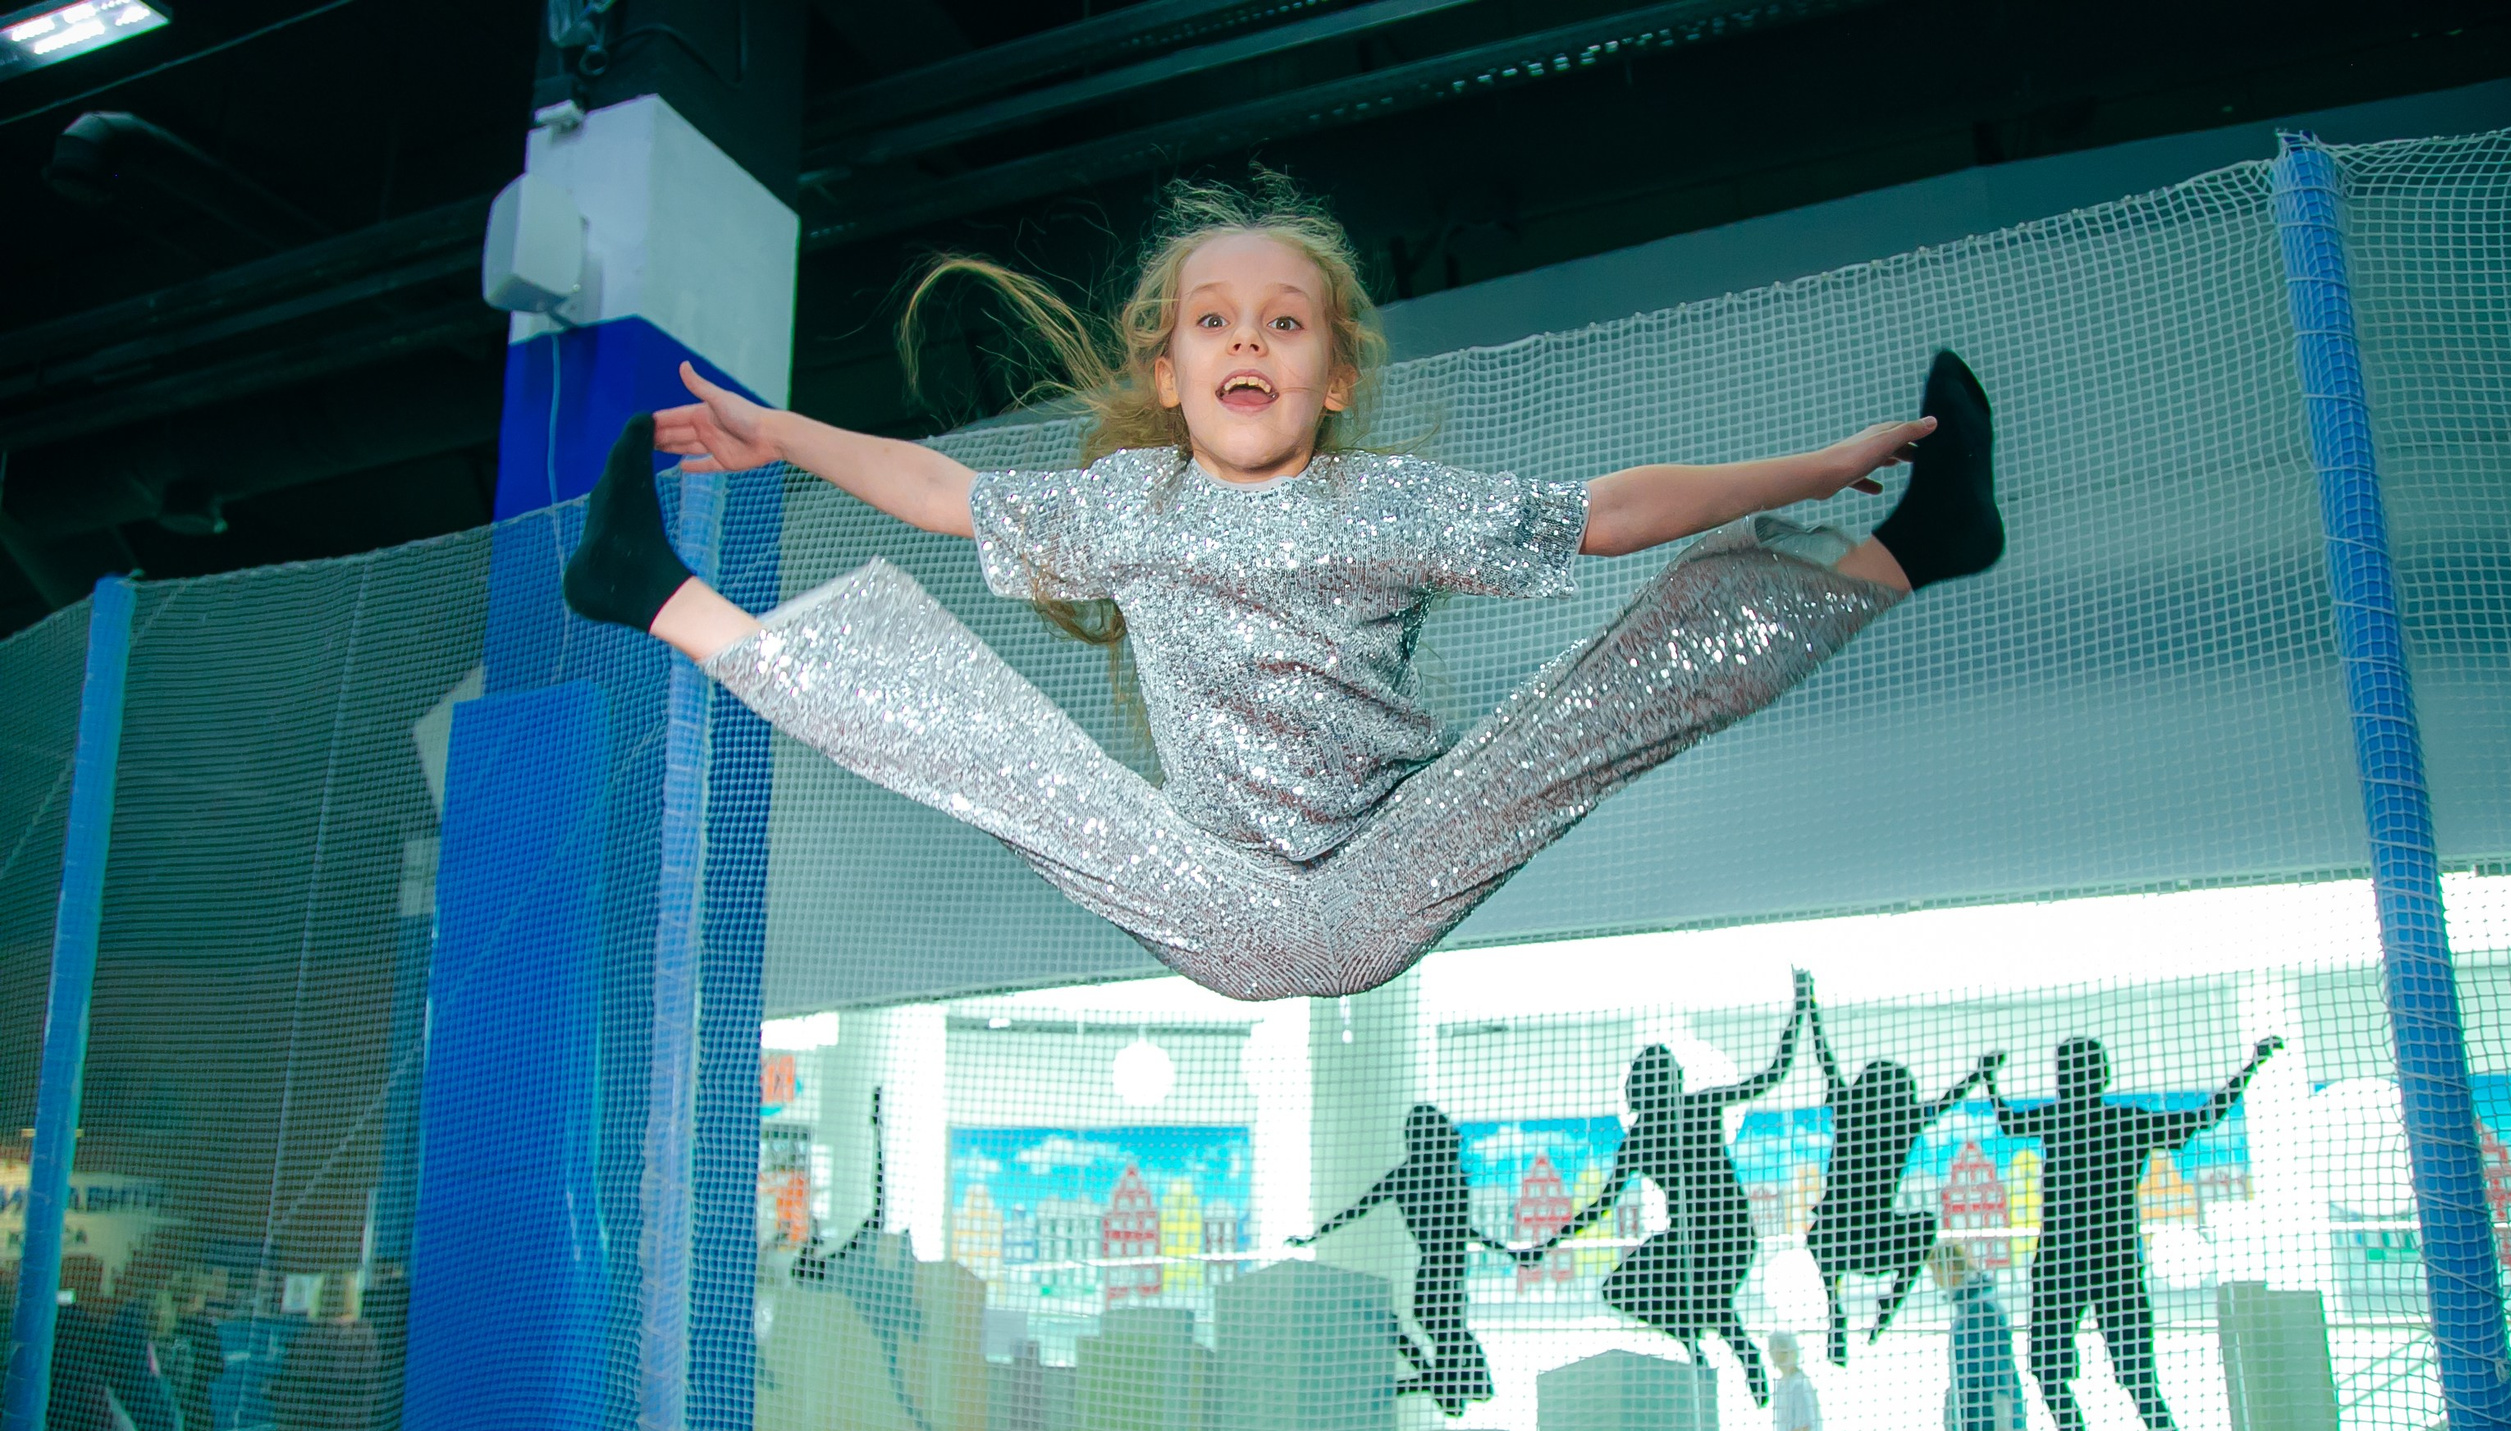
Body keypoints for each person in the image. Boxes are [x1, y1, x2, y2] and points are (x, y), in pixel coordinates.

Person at [560, 173, 2005, 1003]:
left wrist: (1807, 466)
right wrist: (786, 431)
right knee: (999, 756)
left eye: (1285, 320)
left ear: (1333, 370)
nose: (1248, 340)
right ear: (1167, 369)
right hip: (1216, 897)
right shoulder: (1128, 508)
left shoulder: (1389, 503)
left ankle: (1911, 548)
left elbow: (1607, 516)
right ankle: (660, 593)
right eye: (1214, 320)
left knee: (1590, 709)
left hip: (1390, 867)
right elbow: (948, 492)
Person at [1990, 1034, 2281, 1431]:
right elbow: (2204, 1118)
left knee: (2076, 1376)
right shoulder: (2122, 1120)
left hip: (2067, 1267)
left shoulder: (2062, 1119)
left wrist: (1989, 1081)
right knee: (2132, 1382)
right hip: (2108, 1267)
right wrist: (2249, 1067)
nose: (2068, 1082)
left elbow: (2007, 1121)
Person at [1522, 973, 1816, 1405]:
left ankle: (1728, 1344)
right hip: (1694, 1242)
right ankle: (1714, 1343)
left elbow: (1772, 1075)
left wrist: (1801, 1008)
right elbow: (1602, 1207)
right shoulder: (1650, 1133)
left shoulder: (1689, 1113)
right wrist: (1548, 1244)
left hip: (1724, 1240)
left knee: (1692, 1292)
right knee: (1624, 1288)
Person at [1802, 982, 2001, 1364]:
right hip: (1875, 1241)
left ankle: (1835, 1306)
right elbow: (1948, 1100)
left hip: (1839, 1242)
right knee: (1924, 1225)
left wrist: (1808, 1005)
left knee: (1821, 1231)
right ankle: (1887, 1301)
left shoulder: (1850, 1110)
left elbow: (1825, 1061)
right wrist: (1980, 1074)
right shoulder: (1903, 1121)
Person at [1289, 1104, 1502, 1415]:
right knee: (1449, 1344)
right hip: (1448, 1272)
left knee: (1446, 1341)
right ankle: (1410, 1372)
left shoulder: (1417, 1175)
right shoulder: (1443, 1175)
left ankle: (1404, 1366)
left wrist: (1315, 1236)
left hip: (1441, 1272)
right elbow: (1362, 1207)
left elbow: (1360, 1207)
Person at [1930, 1240, 2024, 1431]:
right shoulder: (1972, 1309)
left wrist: (2004, 1427)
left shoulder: (1980, 1312)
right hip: (1976, 1423)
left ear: (1950, 1267)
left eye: (1935, 1272)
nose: (1935, 1280)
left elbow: (1997, 1372)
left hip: (1987, 1427)